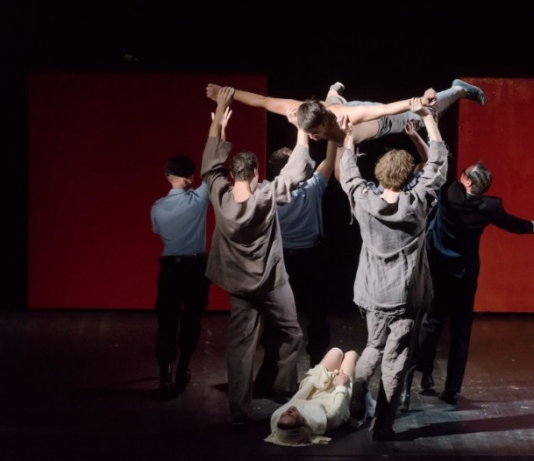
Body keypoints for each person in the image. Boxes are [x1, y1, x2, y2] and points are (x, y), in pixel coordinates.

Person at [201, 86, 316, 426]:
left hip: (239, 287)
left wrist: (219, 122)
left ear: (233, 174)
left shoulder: (220, 196)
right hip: (271, 283)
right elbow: (296, 171)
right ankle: (281, 388)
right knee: (291, 333)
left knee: (241, 346)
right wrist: (300, 128)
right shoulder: (264, 196)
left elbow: (210, 166)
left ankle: (239, 410)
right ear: (254, 174)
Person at [337, 101, 448, 441]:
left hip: (372, 292)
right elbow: (438, 166)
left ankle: (357, 392)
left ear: (380, 173)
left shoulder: (364, 201)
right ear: (409, 175)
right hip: (404, 296)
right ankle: (383, 426)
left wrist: (348, 139)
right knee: (395, 359)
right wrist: (430, 123)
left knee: (373, 345)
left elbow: (348, 174)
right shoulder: (417, 204)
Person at [400, 160, 534, 409]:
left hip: (438, 271)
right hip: (464, 275)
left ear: (467, 181)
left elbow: (436, 173)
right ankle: (451, 390)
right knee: (461, 331)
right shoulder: (490, 207)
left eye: (464, 174)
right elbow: (511, 223)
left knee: (431, 324)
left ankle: (413, 376)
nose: (460, 175)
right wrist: (532, 226)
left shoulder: (449, 194)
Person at [265, 84, 343, 368]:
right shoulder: (312, 187)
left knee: (277, 318)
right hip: (312, 260)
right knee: (317, 315)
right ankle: (316, 368)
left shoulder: (266, 193)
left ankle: (273, 369)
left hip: (281, 261)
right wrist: (332, 129)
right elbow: (330, 159)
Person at [205, 79, 485, 145]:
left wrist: (417, 101)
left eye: (314, 132)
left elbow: (387, 108)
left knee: (424, 118)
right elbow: (264, 101)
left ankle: (457, 90)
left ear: (324, 123)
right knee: (331, 100)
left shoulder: (345, 118)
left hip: (382, 118)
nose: (311, 137)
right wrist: (227, 94)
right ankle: (333, 91)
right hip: (336, 111)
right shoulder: (303, 111)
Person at [150, 155, 210, 401]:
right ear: (190, 177)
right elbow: (212, 170)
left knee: (166, 323)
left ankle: (165, 377)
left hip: (170, 271)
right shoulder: (198, 199)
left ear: (167, 177)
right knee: (191, 321)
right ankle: (183, 368)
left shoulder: (157, 207)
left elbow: (157, 231)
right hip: (194, 270)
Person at [264, 347, 375, 446]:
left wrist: (314, 378)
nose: (289, 410)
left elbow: (298, 397)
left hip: (314, 393)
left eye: (284, 414)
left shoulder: (277, 417)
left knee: (336, 352)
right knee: (351, 354)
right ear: (302, 423)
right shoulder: (321, 422)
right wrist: (340, 385)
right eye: (292, 415)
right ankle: (366, 402)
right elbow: (339, 407)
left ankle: (366, 399)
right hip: (333, 397)